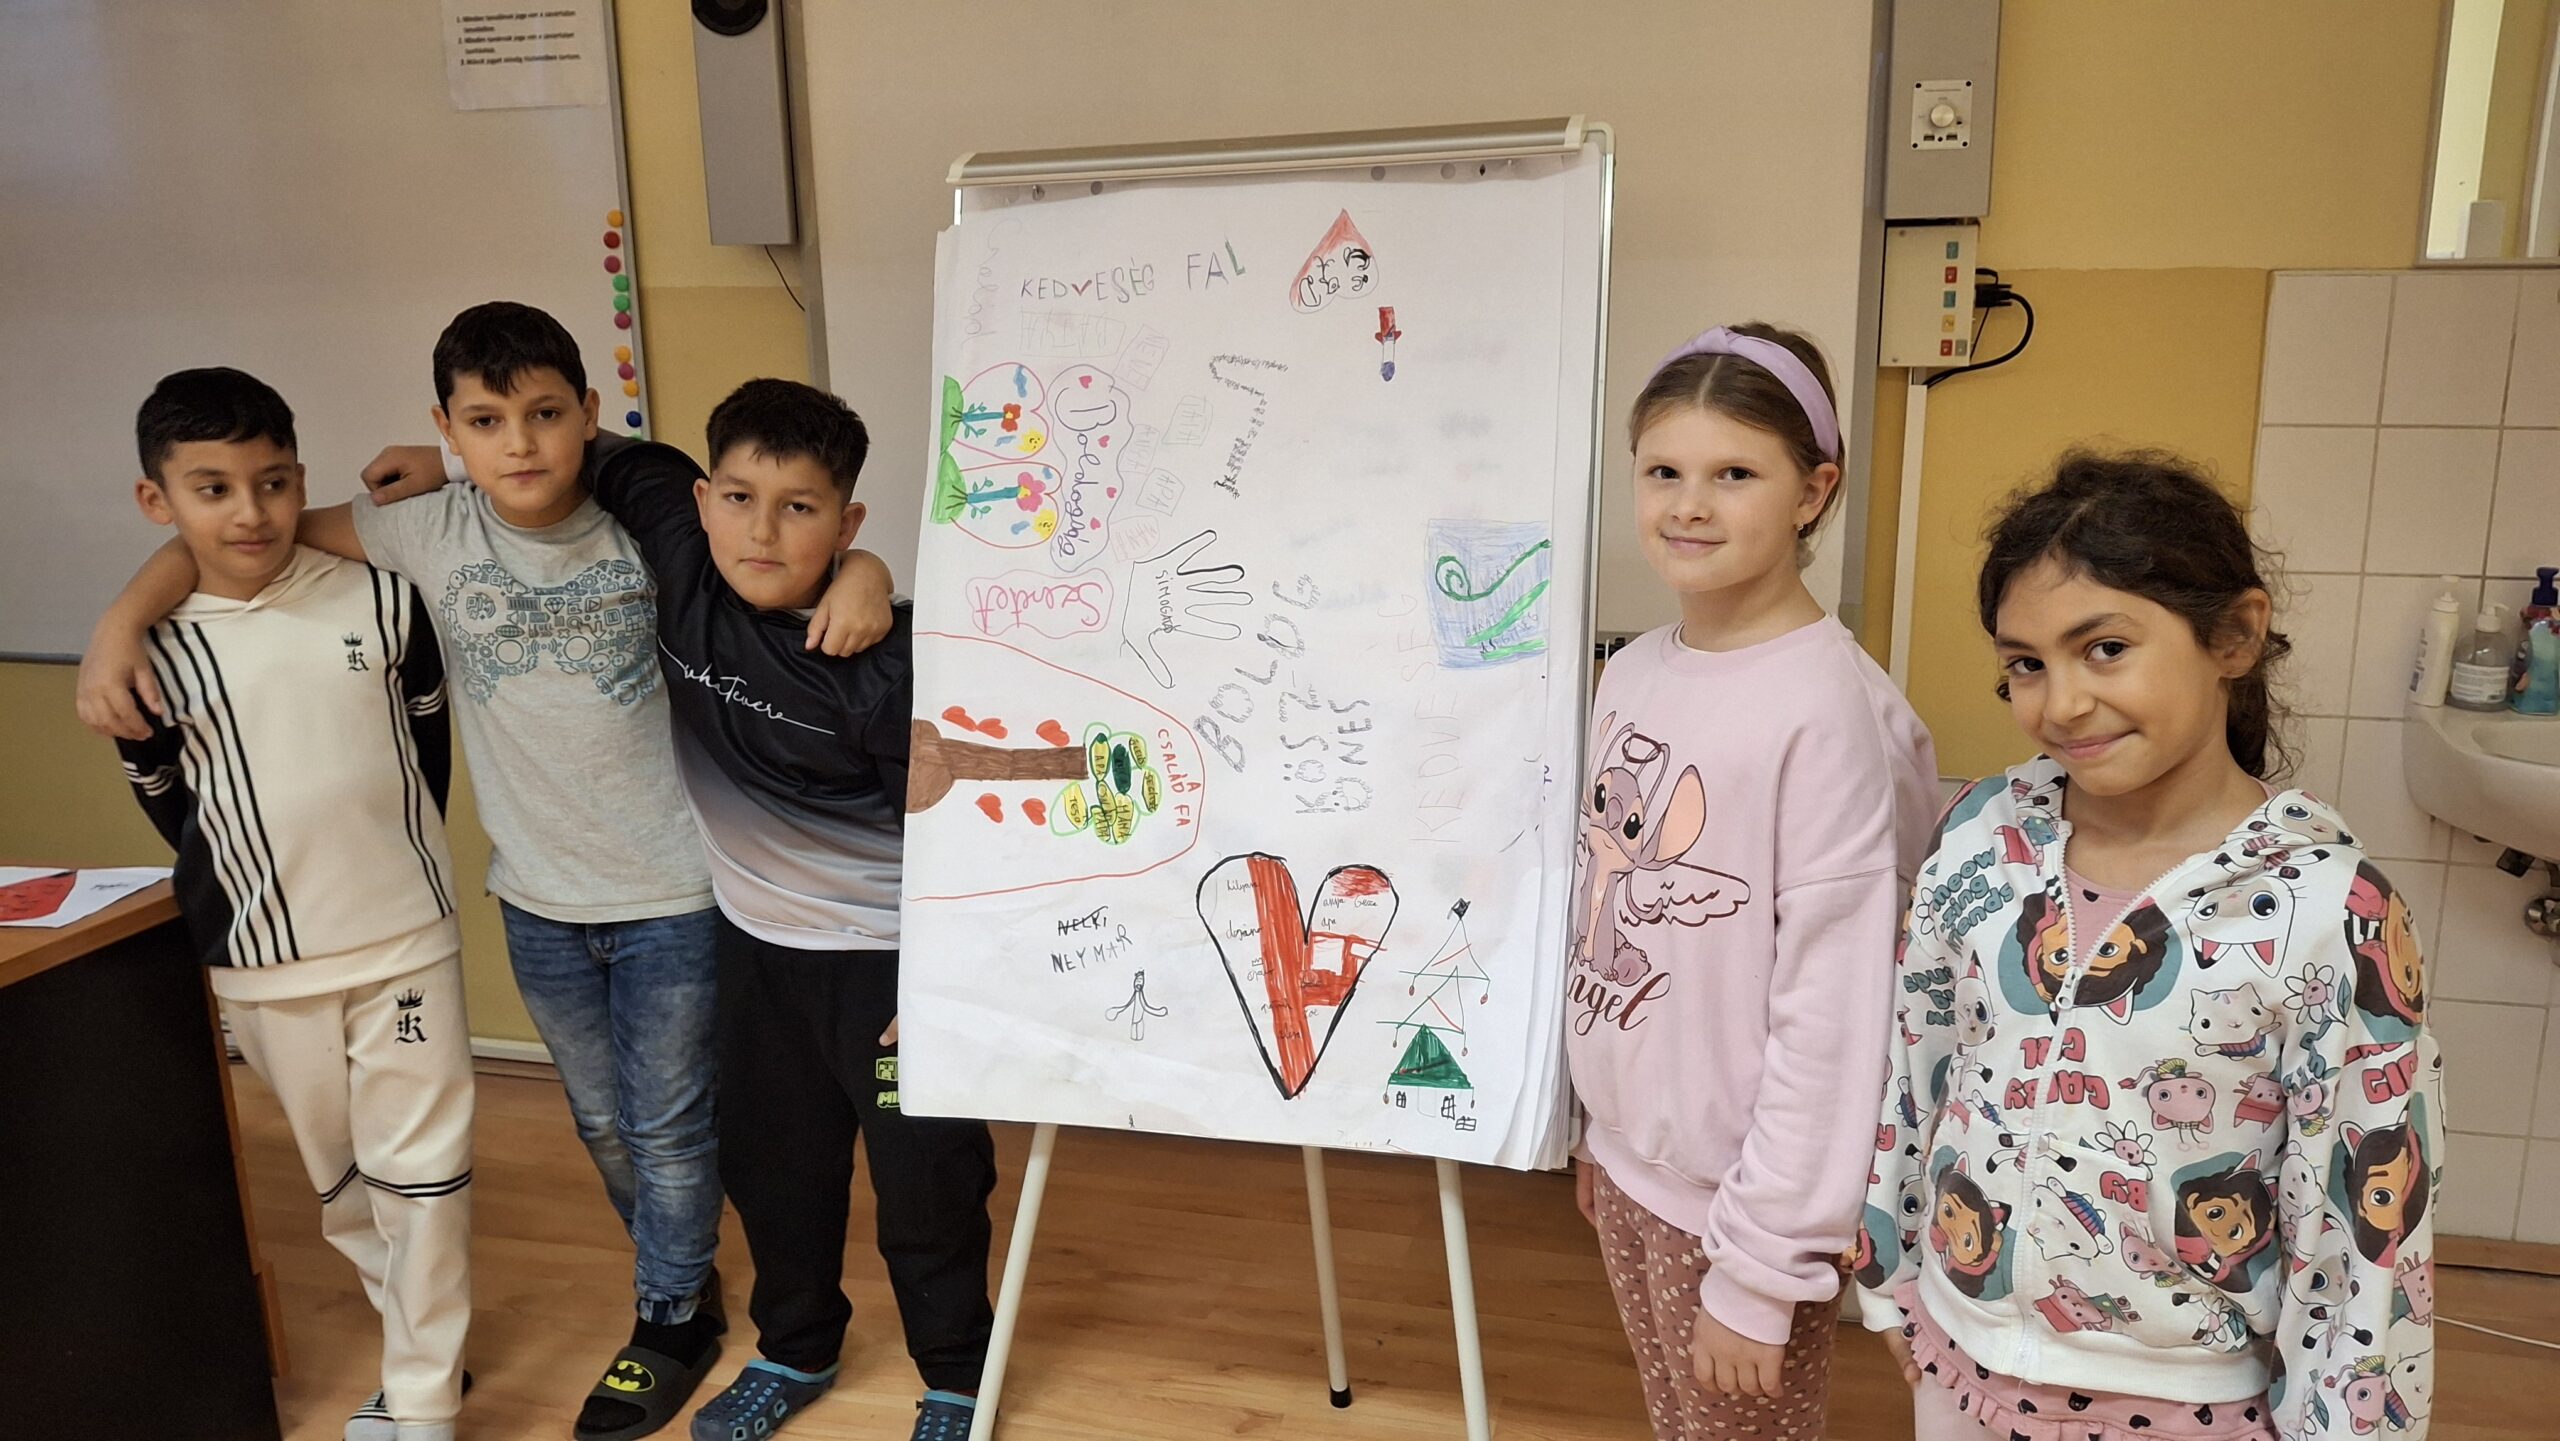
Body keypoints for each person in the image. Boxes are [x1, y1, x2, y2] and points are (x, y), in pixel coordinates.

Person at [1856, 450, 2444, 1441]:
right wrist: (1891, 1274)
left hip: (2187, 1403)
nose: (2061, 703)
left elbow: (2366, 1220)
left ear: (2233, 635)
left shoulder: (2329, 911)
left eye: (2105, 648)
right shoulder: (1980, 839)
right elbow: (1917, 1064)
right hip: (1956, 1360)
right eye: (2026, 664)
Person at [1566, 323, 1939, 1438]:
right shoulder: (1634, 671)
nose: (1689, 505)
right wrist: (1604, 1134)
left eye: (1734, 474)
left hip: (1744, 1208)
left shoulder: (1828, 712)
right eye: (1663, 472)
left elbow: (1838, 1015)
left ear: (1813, 491)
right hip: (1636, 1166)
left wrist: (1764, 1266)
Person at [109, 367, 473, 1441]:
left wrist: (393, 864)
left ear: (301, 480)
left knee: (425, 1179)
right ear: (158, 502)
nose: (251, 512)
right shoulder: (149, 648)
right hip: (263, 963)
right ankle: (420, 1340)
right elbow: (168, 802)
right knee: (346, 1190)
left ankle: (423, 1400)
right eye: (213, 488)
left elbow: (427, 749)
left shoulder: (383, 597)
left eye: (272, 482)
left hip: (405, 940)